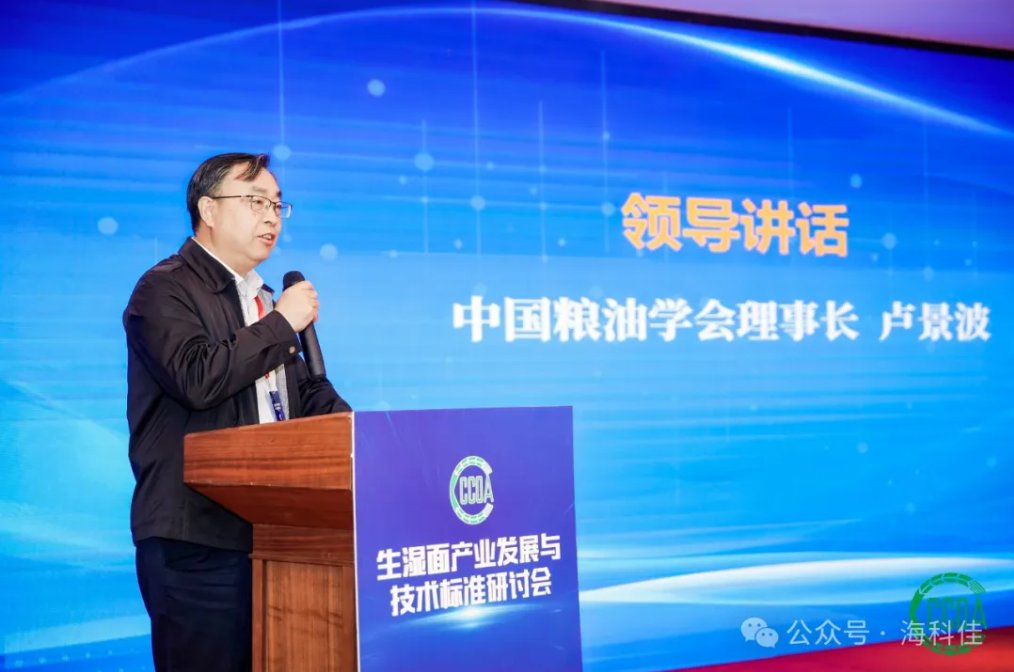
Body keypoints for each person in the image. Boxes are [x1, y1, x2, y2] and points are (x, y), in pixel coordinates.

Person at [123, 152, 351, 672]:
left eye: (277, 205)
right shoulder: (164, 288)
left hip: (277, 535)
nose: (272, 217)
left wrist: (369, 440)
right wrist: (283, 324)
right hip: (195, 540)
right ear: (208, 209)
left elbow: (307, 400)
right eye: (255, 202)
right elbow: (198, 378)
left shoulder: (263, 300)